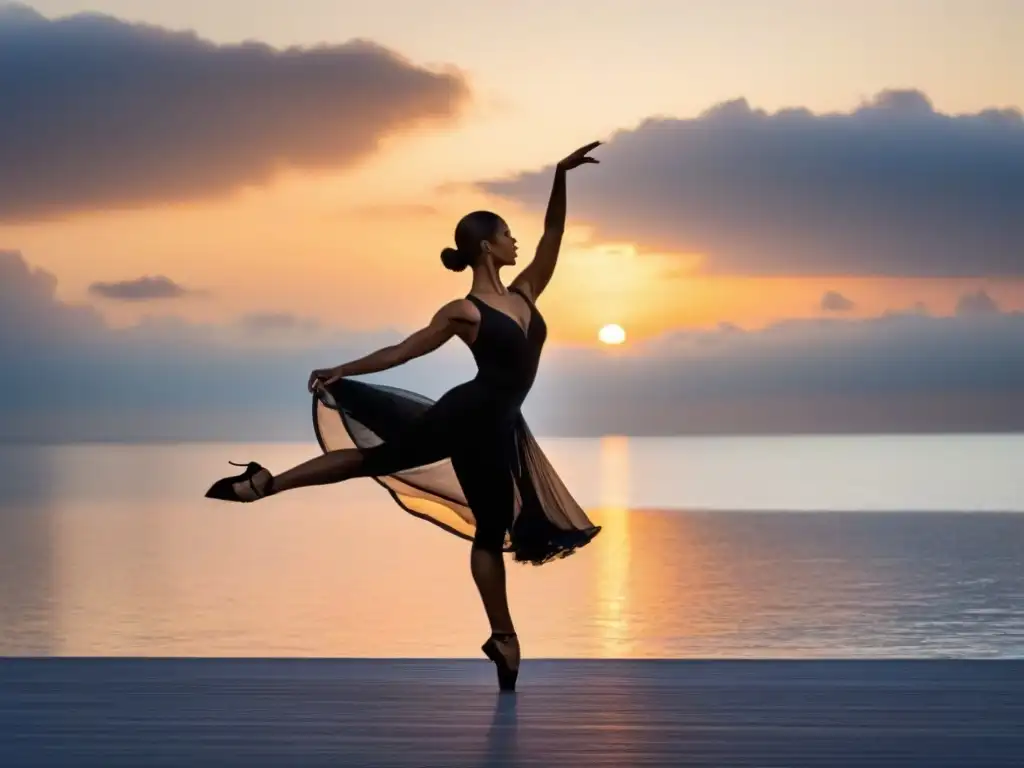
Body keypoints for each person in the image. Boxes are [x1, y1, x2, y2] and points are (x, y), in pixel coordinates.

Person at [205, 141, 604, 691]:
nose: (516, 242)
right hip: (469, 417)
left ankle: (504, 640)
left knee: (485, 527)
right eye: (506, 234)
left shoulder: (526, 292)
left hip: (499, 425)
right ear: (487, 248)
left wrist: (561, 177)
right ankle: (267, 483)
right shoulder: (465, 311)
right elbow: (404, 351)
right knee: (384, 464)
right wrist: (342, 367)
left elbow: (552, 238)